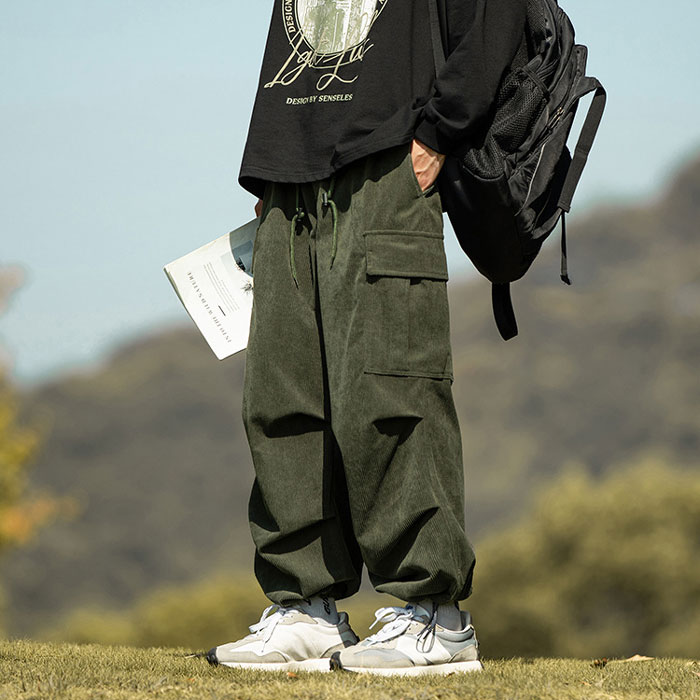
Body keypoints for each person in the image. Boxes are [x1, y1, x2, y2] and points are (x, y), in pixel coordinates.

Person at [207, 0, 526, 675]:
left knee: (390, 390)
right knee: (281, 399)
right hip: (289, 173)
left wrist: (442, 128)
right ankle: (306, 608)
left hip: (388, 161)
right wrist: (272, 166)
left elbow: (501, 13)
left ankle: (435, 617)